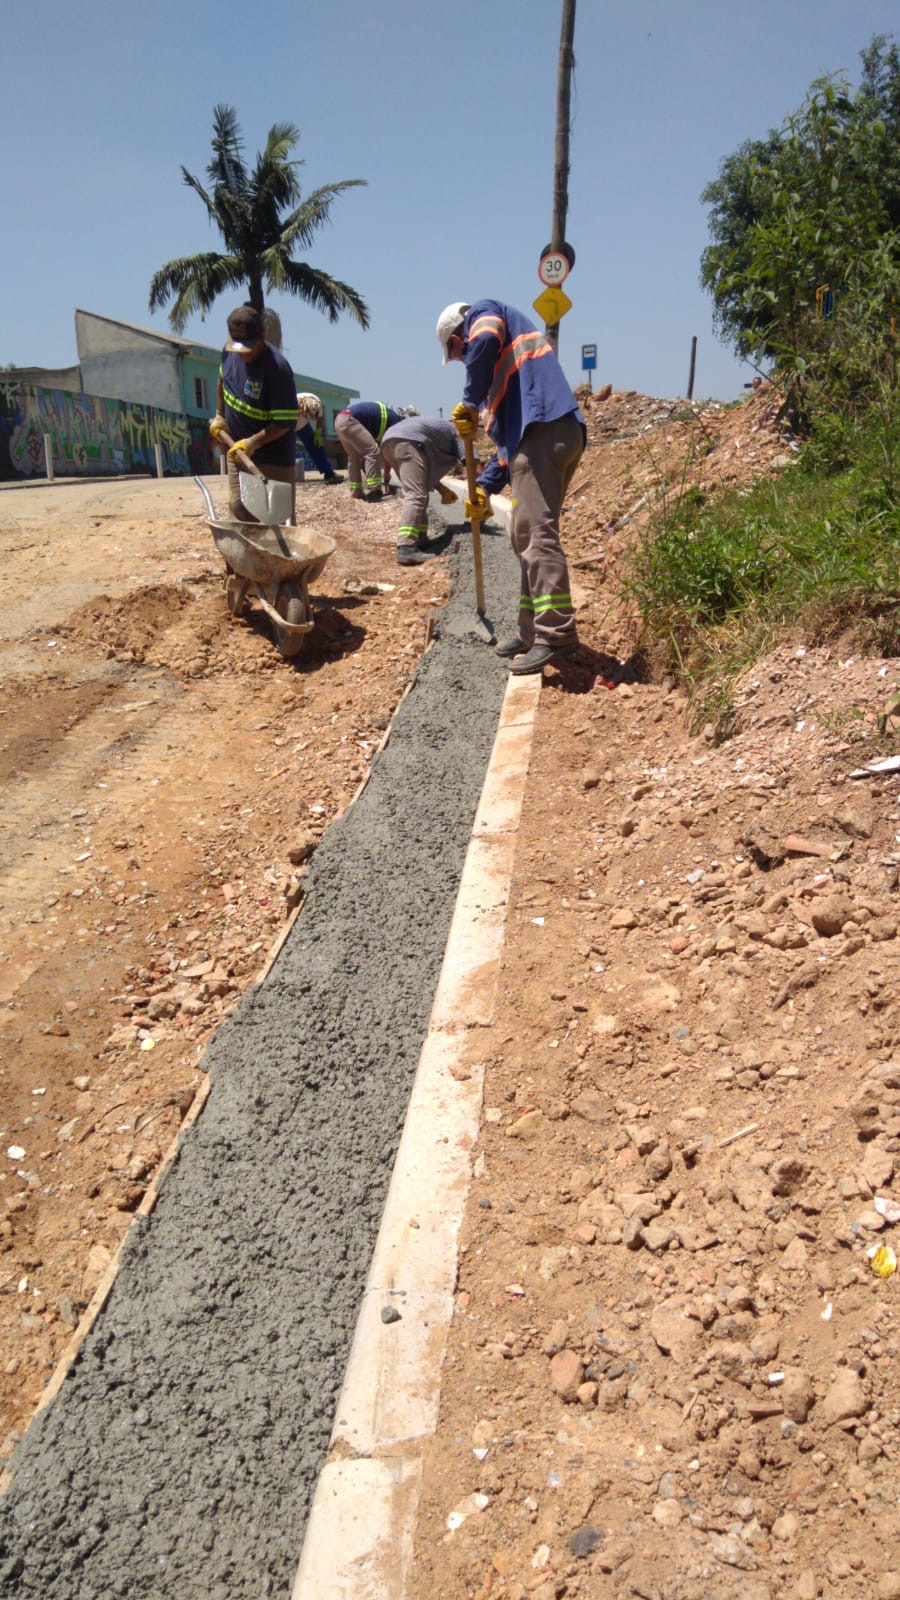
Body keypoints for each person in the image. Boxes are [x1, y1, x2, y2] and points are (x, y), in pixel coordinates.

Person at [437, 299, 585, 674]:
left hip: (545, 429)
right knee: (524, 534)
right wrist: (485, 488)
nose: (462, 362)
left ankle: (556, 633)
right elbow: (508, 450)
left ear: (458, 336)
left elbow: (484, 338)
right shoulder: (504, 381)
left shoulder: (483, 315)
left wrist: (469, 400)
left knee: (536, 533)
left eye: (456, 354)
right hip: (543, 434)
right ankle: (533, 631)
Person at [209, 305, 299, 523]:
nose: (244, 354)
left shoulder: (277, 369)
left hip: (272, 457)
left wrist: (253, 443)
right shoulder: (229, 354)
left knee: (276, 518)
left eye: (249, 347)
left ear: (262, 336)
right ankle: (246, 556)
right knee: (240, 508)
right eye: (239, 347)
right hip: (237, 449)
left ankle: (279, 557)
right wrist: (220, 414)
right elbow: (223, 382)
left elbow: (284, 422)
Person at [381, 413, 465, 566]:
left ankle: (420, 540)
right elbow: (473, 466)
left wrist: (440, 488)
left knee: (418, 492)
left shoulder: (438, 429)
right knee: (416, 496)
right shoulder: (459, 432)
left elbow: (422, 476)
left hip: (389, 442)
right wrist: (482, 497)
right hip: (407, 442)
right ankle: (406, 547)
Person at [334, 401, 418, 501]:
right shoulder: (395, 423)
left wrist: (386, 474)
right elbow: (389, 454)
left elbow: (386, 452)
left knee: (354, 456)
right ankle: (374, 491)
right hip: (350, 421)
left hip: (340, 420)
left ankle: (356, 492)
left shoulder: (389, 418)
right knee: (372, 451)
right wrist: (387, 474)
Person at [295, 393, 342, 484]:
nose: (313, 418)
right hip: (288, 422)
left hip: (302, 425)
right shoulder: (292, 402)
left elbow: (320, 418)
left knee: (315, 445)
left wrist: (317, 432)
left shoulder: (317, 402)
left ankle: (328, 473)